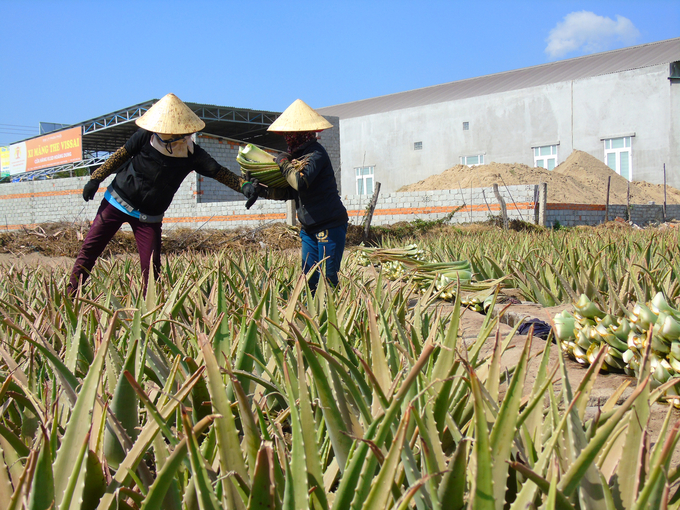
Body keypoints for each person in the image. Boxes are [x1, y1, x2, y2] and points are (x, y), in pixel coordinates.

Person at [68, 93, 260, 295]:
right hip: (117, 201)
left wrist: (243, 186)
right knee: (90, 249)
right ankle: (71, 294)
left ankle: (149, 308)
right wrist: (95, 178)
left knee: (151, 268)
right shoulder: (145, 136)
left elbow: (219, 172)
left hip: (148, 216)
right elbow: (120, 155)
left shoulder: (192, 154)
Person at [257, 99, 348, 292]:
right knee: (309, 279)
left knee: (328, 278)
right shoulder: (298, 157)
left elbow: (299, 182)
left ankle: (336, 317)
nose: (289, 139)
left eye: (292, 134)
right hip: (308, 228)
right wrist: (260, 190)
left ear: (303, 134)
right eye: (287, 135)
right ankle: (313, 316)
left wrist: (282, 162)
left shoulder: (315, 154)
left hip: (329, 225)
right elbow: (290, 191)